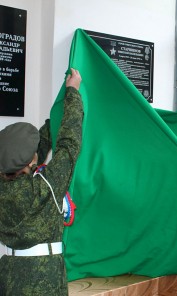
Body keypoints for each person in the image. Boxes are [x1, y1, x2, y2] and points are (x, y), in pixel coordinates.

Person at [0, 68, 83, 295]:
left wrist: (52, 123)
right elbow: (69, 145)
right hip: (43, 278)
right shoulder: (44, 187)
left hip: (8, 276)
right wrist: (72, 93)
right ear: (32, 160)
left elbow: (31, 152)